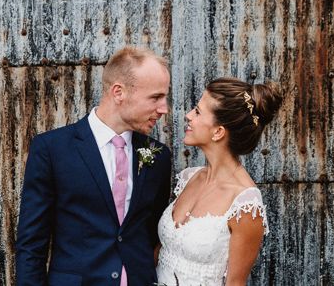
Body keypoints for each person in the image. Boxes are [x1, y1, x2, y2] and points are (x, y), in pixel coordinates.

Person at [16, 46, 172, 286]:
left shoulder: (159, 156)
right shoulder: (52, 149)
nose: (164, 108)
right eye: (155, 97)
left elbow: (151, 233)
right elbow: (31, 244)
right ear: (118, 92)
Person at [156, 77, 283, 285]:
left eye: (197, 112)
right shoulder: (190, 178)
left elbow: (235, 282)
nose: (188, 116)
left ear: (218, 132)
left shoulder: (245, 203)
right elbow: (161, 251)